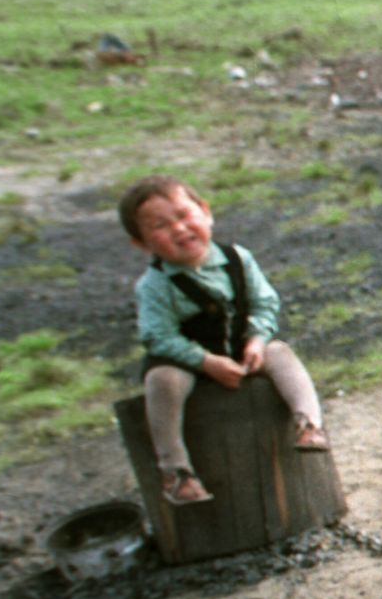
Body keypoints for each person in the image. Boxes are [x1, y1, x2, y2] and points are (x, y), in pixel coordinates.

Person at [121, 175, 330, 506]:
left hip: (238, 349)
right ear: (141, 243)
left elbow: (264, 303)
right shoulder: (155, 285)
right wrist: (206, 362)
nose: (178, 229)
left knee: (281, 353)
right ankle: (176, 472)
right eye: (160, 225)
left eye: (184, 215)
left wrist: (256, 340)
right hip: (187, 361)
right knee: (162, 380)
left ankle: (309, 423)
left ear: (205, 212)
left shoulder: (237, 259)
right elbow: (157, 335)